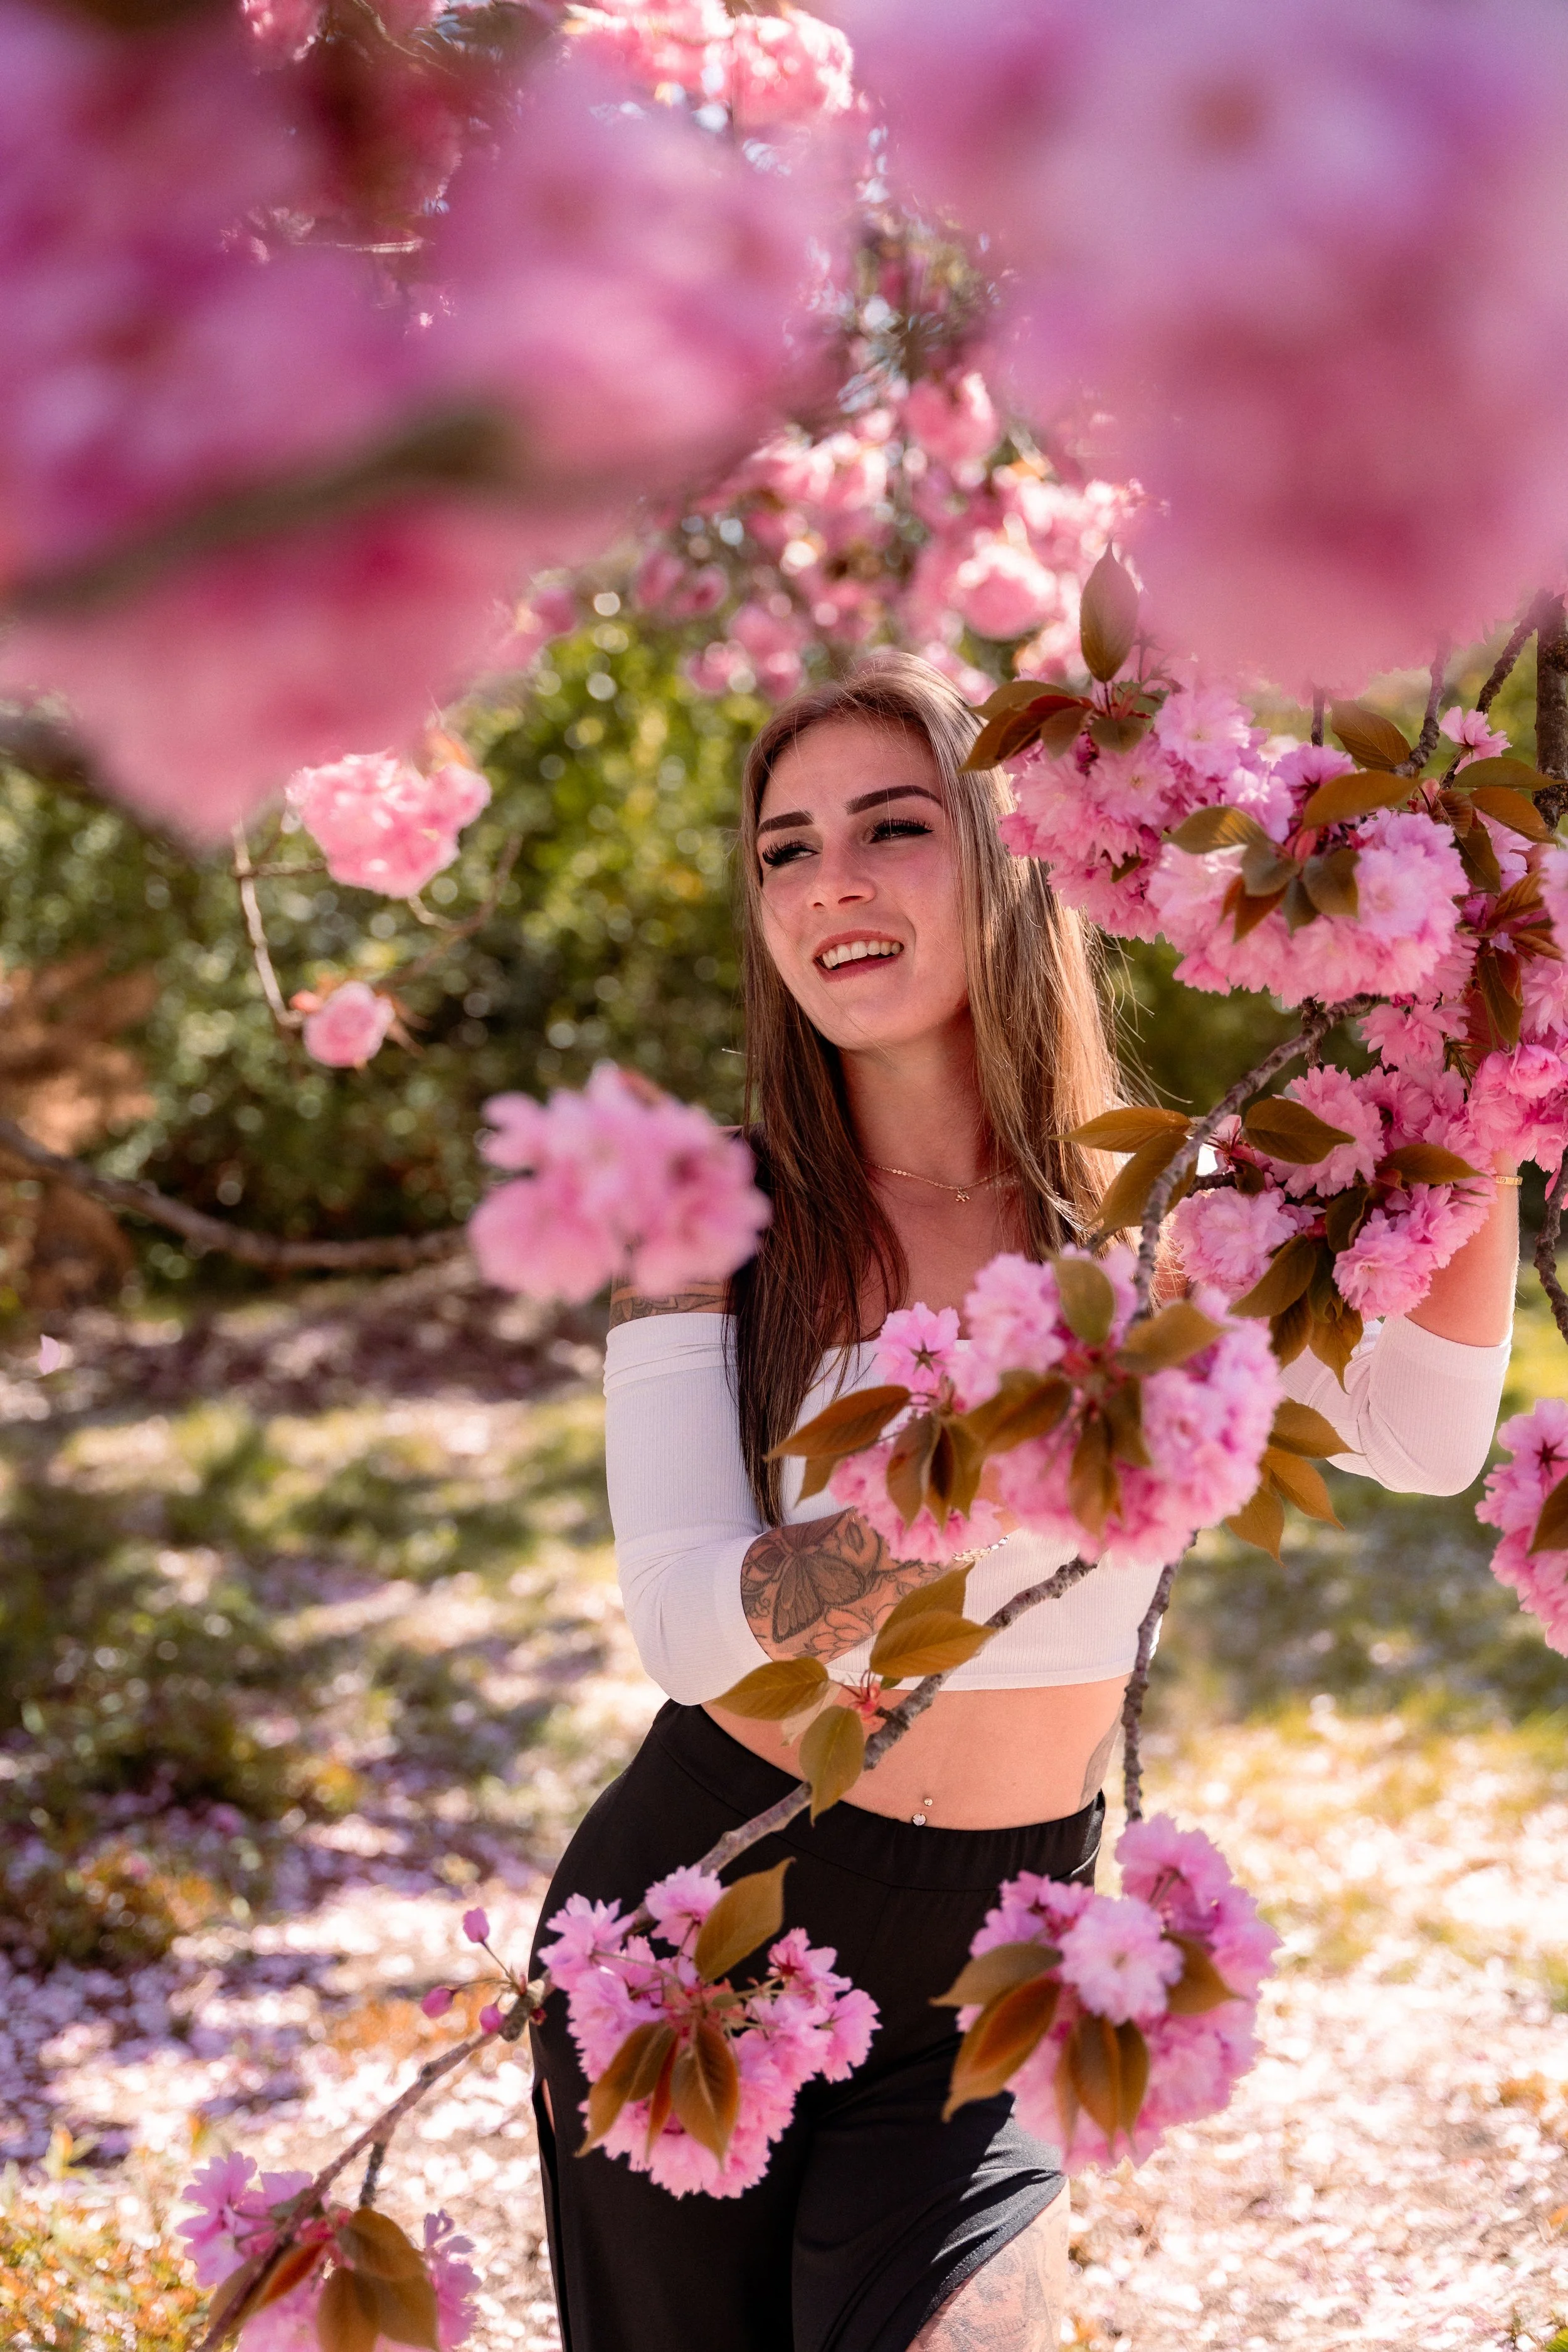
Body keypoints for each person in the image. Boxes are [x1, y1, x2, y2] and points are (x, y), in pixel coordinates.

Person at [529, 651, 1516, 2351]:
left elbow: (1420, 1433)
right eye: (783, 848)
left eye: (890, 827)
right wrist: (969, 1469)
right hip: (704, 1924)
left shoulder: (1156, 1211)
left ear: (1006, 857)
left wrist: (1492, 1091)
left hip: (1006, 1933)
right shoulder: (705, 1221)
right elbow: (688, 1624)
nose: (827, 878)